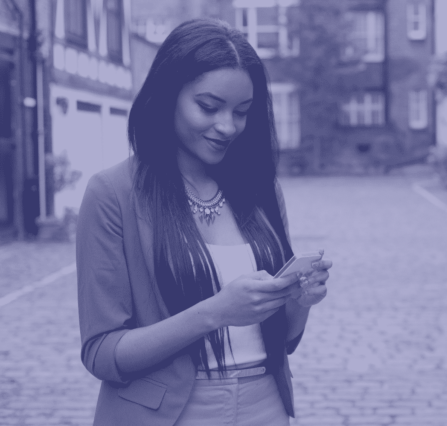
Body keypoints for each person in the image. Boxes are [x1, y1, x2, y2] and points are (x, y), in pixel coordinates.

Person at [76, 18, 331, 426]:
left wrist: (299, 301)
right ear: (167, 95)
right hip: (166, 414)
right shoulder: (112, 193)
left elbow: (281, 339)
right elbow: (102, 353)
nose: (228, 126)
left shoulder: (261, 190)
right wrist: (215, 311)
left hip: (265, 406)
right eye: (209, 107)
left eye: (242, 112)